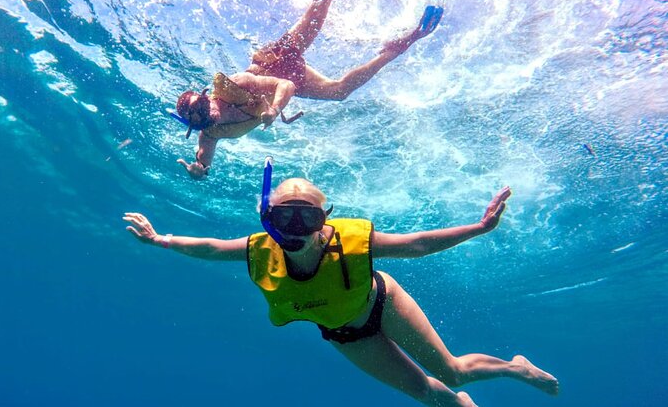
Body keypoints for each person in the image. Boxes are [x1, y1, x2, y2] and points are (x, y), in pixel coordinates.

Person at [123, 167, 558, 406]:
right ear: (266, 219)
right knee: (427, 394)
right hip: (345, 334)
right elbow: (212, 248)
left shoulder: (351, 242)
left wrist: (480, 228)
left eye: (307, 218)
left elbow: (418, 244)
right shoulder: (259, 249)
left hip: (383, 303)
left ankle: (513, 367)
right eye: (283, 218)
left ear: (324, 221)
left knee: (451, 372)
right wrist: (161, 239)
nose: (294, 229)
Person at [174, 0, 443, 179]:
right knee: (340, 92)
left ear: (207, 95)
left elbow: (285, 86)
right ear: (193, 125)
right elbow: (203, 162)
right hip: (290, 82)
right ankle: (406, 41)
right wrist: (199, 172)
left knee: (318, 8)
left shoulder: (236, 83)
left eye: (200, 106)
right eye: (196, 117)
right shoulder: (209, 135)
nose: (204, 114)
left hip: (275, 61)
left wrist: (273, 109)